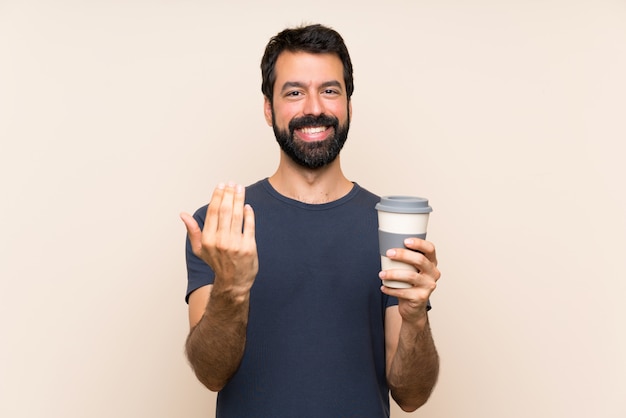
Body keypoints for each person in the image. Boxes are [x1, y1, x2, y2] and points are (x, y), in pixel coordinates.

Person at [180, 23, 441, 417]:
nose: (314, 108)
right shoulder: (221, 225)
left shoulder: (389, 228)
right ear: (269, 109)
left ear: (350, 106)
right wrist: (231, 288)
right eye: (295, 92)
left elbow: (411, 395)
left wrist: (416, 318)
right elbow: (211, 374)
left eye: (330, 90)